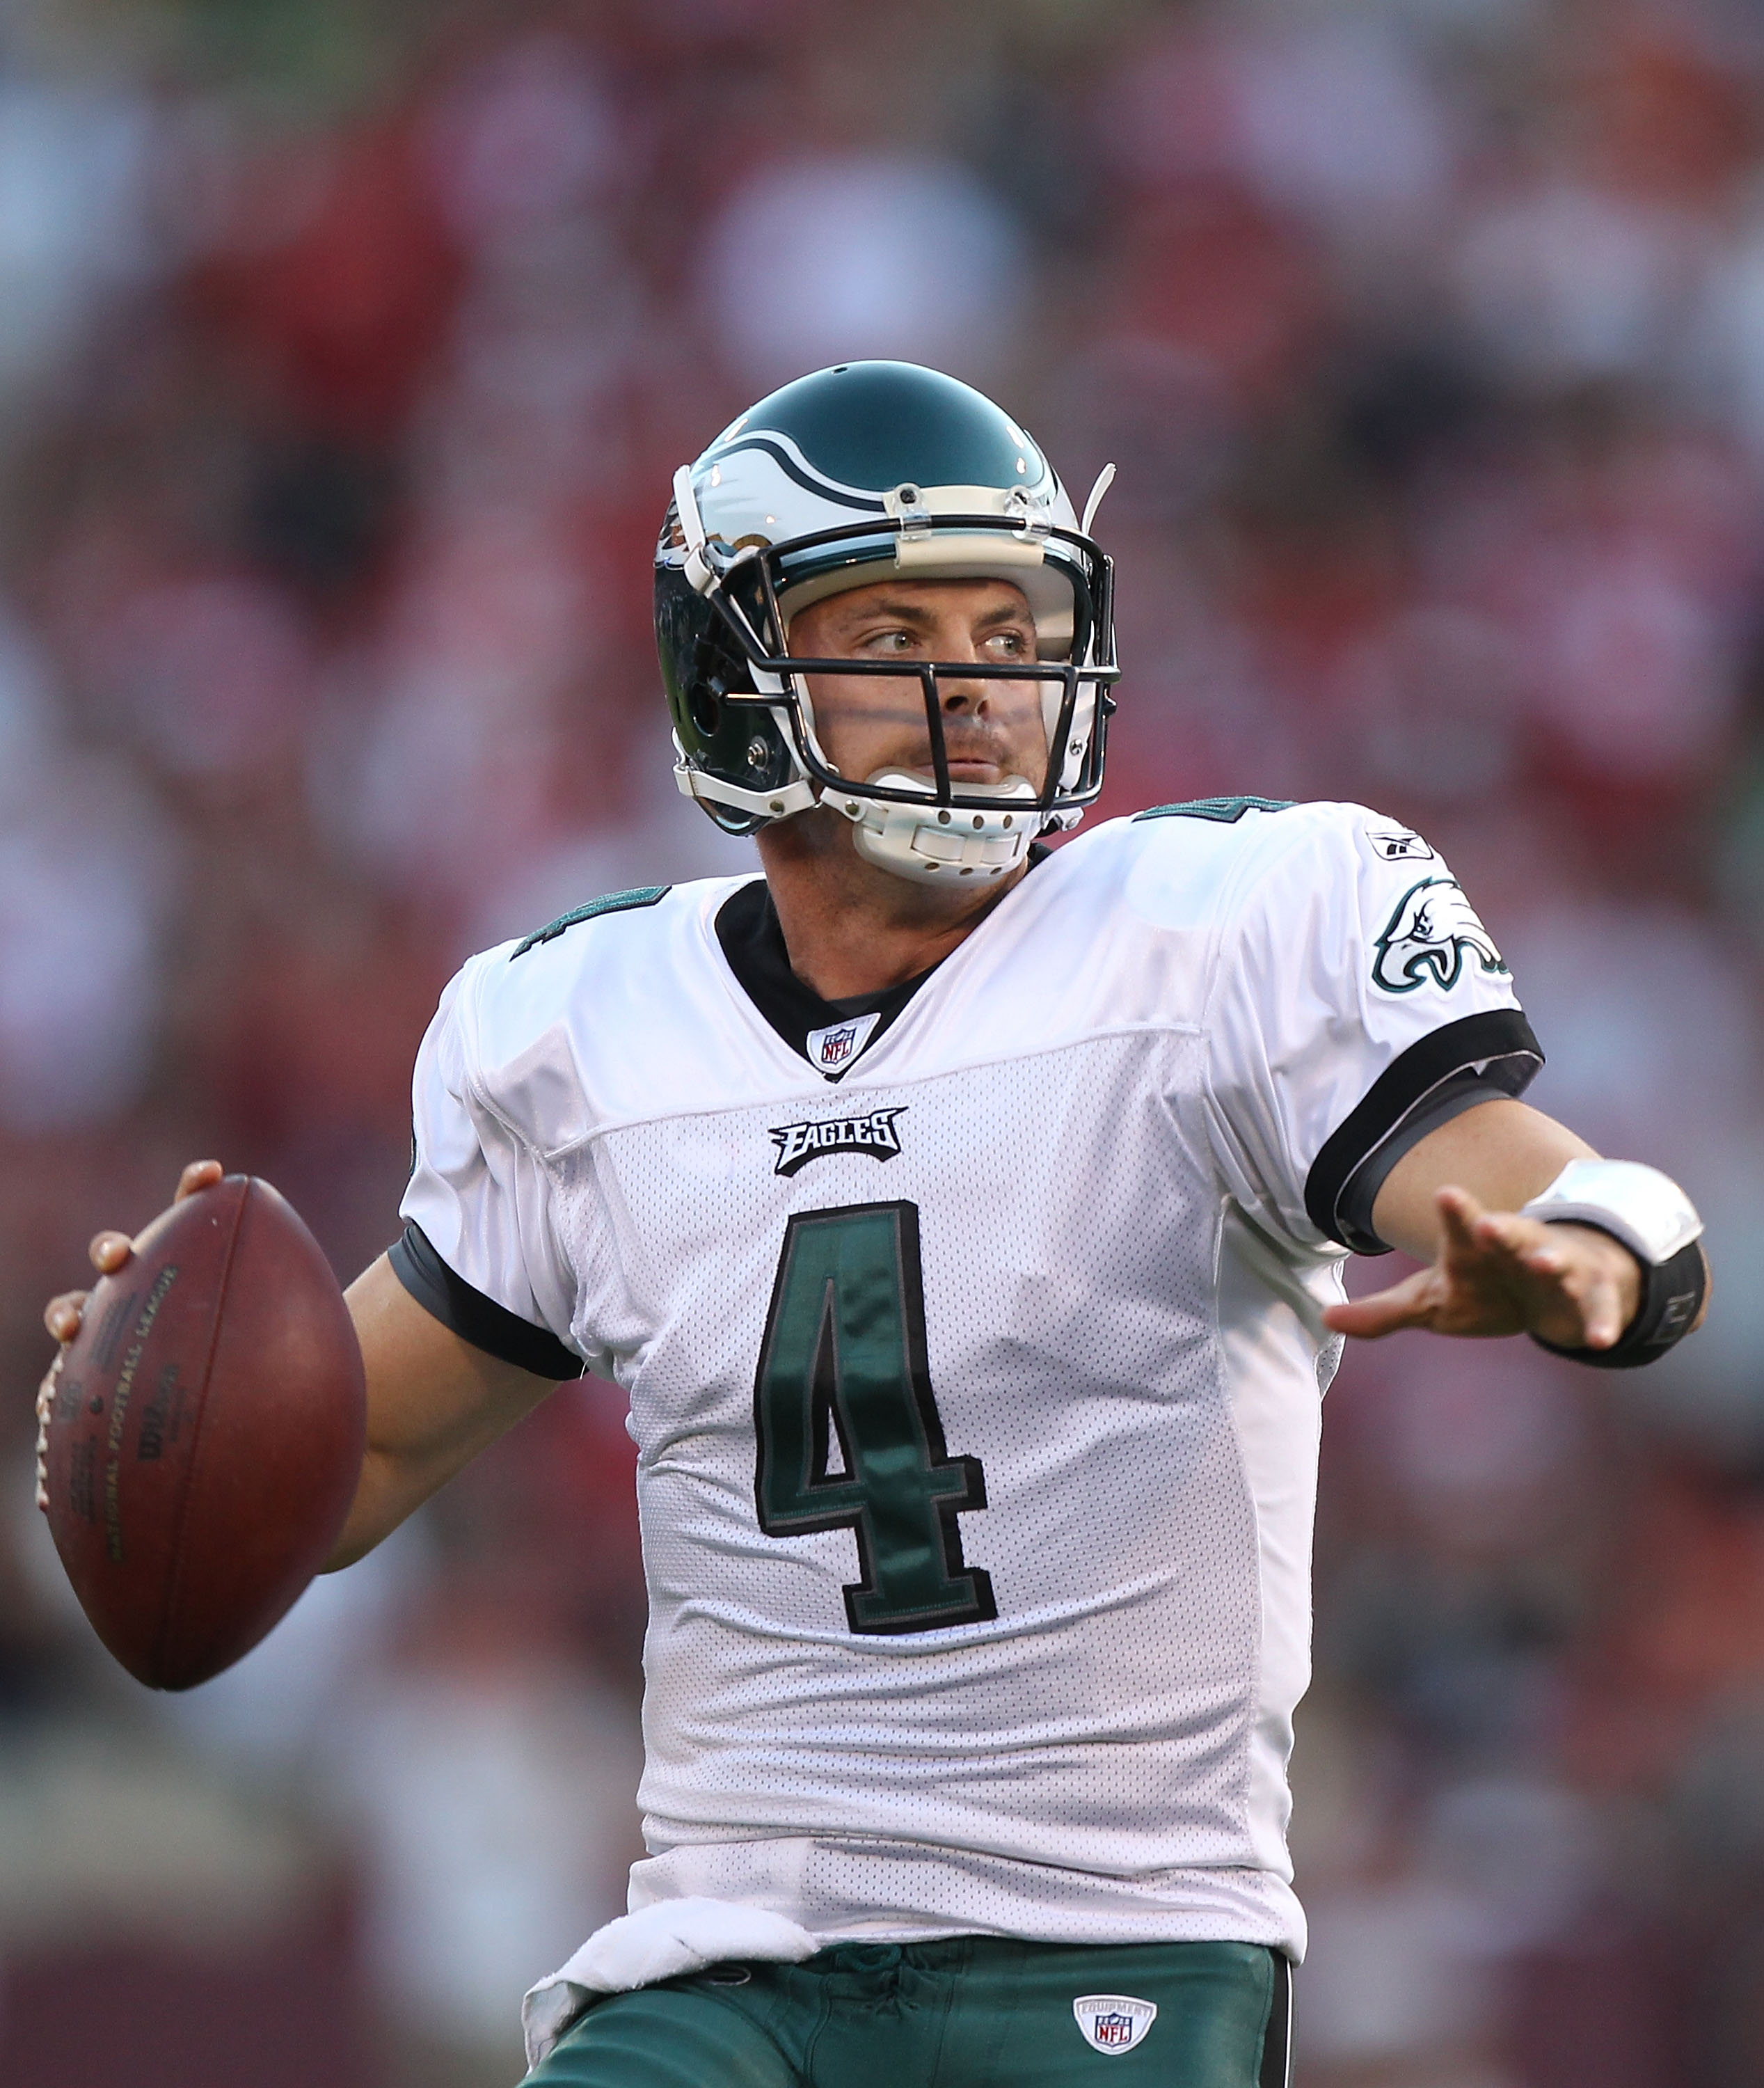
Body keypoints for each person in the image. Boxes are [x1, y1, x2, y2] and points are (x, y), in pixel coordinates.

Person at [44, 363, 1709, 2087]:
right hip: (725, 1961)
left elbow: (1527, 1168)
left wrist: (1599, 1245)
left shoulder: (1218, 933)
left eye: (1009, 631)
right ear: (733, 671)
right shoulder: (580, 1029)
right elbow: (344, 1465)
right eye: (890, 627)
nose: (970, 689)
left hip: (1112, 1940)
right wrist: (176, 1403)